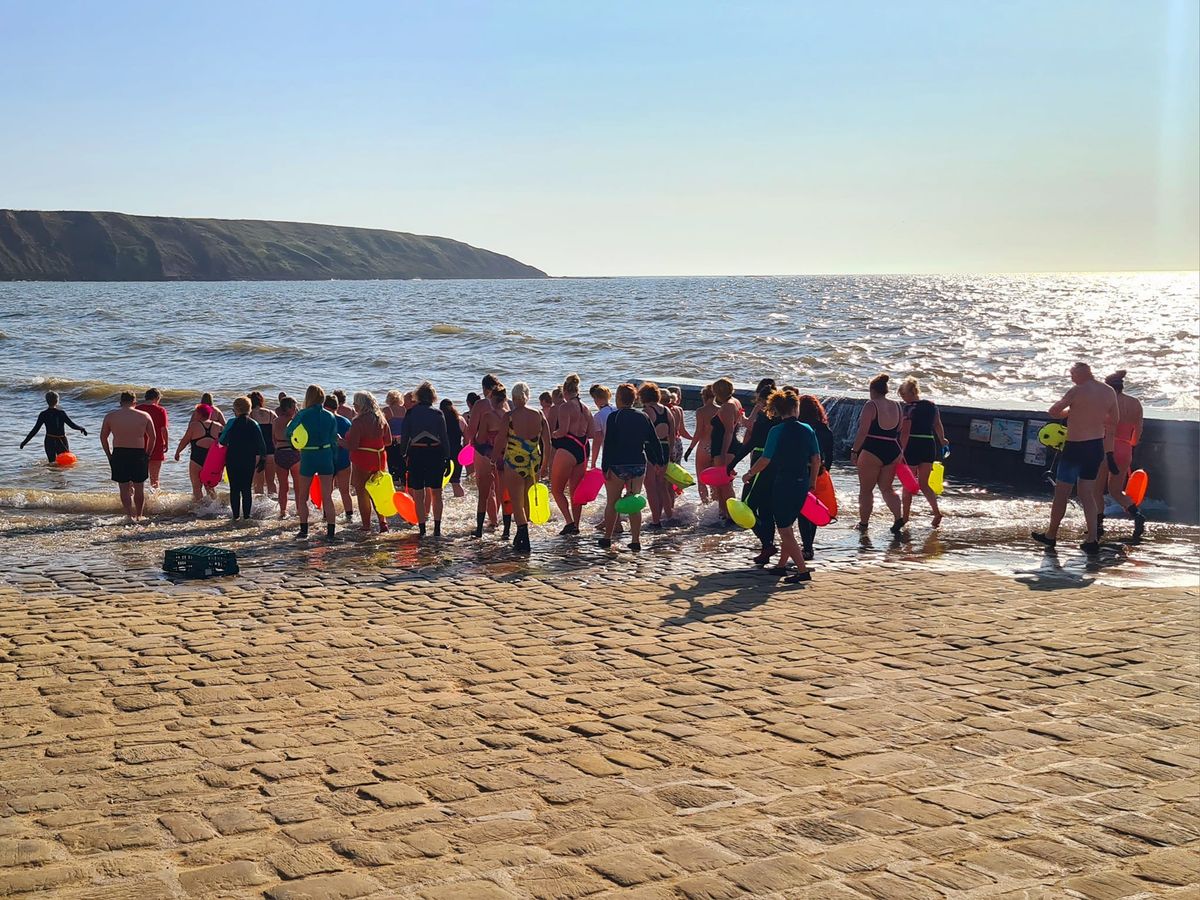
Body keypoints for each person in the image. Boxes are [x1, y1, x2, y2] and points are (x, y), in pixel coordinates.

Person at [1033, 362, 1119, 554]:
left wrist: (1071, 412)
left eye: (1072, 375)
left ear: (1080, 374)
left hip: (1075, 447)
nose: (1071, 378)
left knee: (1062, 493)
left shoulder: (1076, 390)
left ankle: (1051, 535)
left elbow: (1054, 412)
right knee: (1087, 494)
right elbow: (1114, 420)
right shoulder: (1109, 391)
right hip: (1095, 446)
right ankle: (1092, 539)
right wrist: (1094, 418)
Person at [742, 390, 821, 583]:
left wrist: (750, 473)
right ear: (796, 408)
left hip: (784, 483)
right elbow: (816, 458)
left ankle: (802, 571)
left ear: (778, 409)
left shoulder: (776, 431)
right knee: (789, 525)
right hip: (802, 482)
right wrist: (812, 481)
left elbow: (765, 459)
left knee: (784, 529)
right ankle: (781, 565)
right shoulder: (807, 429)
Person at [600, 383, 666, 551]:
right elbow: (654, 442)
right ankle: (635, 540)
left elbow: (608, 444)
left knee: (612, 502)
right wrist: (659, 461)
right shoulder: (643, 416)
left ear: (619, 398)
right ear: (634, 399)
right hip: (638, 463)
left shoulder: (614, 417)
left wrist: (604, 467)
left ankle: (607, 538)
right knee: (633, 502)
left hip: (617, 464)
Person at [493, 381, 551, 553]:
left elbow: (500, 440)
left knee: (516, 502)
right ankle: (521, 535)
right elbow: (547, 442)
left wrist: (493, 458)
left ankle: (523, 537)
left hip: (514, 462)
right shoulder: (539, 414)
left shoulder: (509, 416)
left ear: (513, 398)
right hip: (533, 462)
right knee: (526, 500)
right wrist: (545, 465)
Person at [1092, 370, 1146, 539]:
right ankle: (1137, 515)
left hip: (1105, 447)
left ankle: (1098, 526)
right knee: (1116, 491)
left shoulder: (1106, 403)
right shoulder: (1135, 403)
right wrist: (1129, 445)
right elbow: (1137, 434)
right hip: (1125, 449)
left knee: (1096, 491)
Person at [849, 374, 906, 534]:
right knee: (887, 488)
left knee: (866, 490)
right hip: (893, 449)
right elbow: (899, 429)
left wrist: (854, 451)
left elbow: (862, 432)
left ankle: (863, 524)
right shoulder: (897, 406)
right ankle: (898, 517)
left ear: (872, 390)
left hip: (873, 449)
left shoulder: (871, 405)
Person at [729, 379, 777, 562]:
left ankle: (767, 543)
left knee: (746, 505)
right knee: (767, 508)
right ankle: (767, 547)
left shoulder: (764, 419)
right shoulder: (781, 419)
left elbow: (752, 443)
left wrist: (732, 464)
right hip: (776, 465)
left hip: (760, 462)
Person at [285, 385, 339, 540]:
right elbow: (334, 439)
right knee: (327, 496)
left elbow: (288, 432)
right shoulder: (330, 415)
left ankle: (304, 531)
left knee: (302, 496)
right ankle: (330, 532)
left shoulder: (303, 414)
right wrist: (333, 459)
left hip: (309, 454)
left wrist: (296, 442)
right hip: (326, 454)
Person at [401, 381, 451, 537]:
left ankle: (422, 529)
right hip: (435, 453)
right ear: (432, 397)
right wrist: (448, 458)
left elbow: (405, 437)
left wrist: (403, 455)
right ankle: (437, 528)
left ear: (418, 397)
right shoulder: (437, 414)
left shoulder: (410, 413)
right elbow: (444, 438)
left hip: (416, 453)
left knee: (418, 493)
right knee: (437, 493)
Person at [100, 391, 155, 523]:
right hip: (138, 453)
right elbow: (153, 438)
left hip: (119, 453)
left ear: (120, 402)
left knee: (123, 487)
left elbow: (103, 437)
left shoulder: (111, 416)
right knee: (139, 487)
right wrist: (148, 454)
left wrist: (109, 454)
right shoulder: (144, 415)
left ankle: (129, 515)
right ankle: (139, 515)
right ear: (135, 402)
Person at [898, 377, 946, 527]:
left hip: (913, 444)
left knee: (908, 484)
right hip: (929, 444)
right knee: (924, 484)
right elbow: (937, 424)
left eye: (904, 395)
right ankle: (936, 512)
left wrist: (901, 451)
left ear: (911, 392)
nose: (903, 399)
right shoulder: (932, 406)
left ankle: (905, 518)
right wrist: (943, 439)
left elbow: (905, 432)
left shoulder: (909, 408)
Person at [550, 374, 592, 535]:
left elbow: (563, 431)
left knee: (557, 490)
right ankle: (577, 525)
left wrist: (552, 435)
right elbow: (591, 433)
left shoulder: (565, 407)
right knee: (576, 492)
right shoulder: (586, 408)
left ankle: (569, 522)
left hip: (568, 447)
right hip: (583, 448)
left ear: (566, 392)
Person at [344, 391, 391, 533]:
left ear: (361, 405)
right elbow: (388, 441)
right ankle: (383, 523)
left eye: (355, 404)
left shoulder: (358, 421)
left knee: (363, 493)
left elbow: (352, 445)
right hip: (379, 458)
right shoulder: (381, 419)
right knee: (377, 491)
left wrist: (340, 441)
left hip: (363, 459)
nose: (354, 406)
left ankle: (366, 525)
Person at [464, 377, 505, 538]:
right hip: (502, 450)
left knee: (485, 489)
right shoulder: (505, 403)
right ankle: (500, 522)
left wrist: (468, 443)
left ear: (484, 388)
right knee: (500, 487)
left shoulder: (481, 405)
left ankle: (489, 523)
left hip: (484, 449)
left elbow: (471, 430)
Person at [797, 394, 835, 561]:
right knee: (813, 508)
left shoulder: (801, 428)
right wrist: (824, 471)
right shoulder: (825, 430)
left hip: (801, 471)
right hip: (820, 472)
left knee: (803, 511)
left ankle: (806, 547)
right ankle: (809, 545)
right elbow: (830, 455)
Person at [219, 396, 267, 522]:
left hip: (233, 458)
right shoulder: (254, 424)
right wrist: (263, 459)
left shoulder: (231, 423)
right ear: (249, 409)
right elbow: (262, 444)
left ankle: (235, 517)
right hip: (248, 459)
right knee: (246, 489)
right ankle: (246, 516)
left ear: (236, 410)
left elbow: (222, 441)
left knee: (234, 488)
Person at [638, 382, 674, 529]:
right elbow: (672, 433)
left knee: (651, 486)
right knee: (662, 485)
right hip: (665, 448)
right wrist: (670, 453)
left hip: (650, 449)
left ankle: (656, 520)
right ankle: (669, 516)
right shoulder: (666, 411)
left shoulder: (646, 411)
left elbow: (641, 435)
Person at [21, 390, 87, 462]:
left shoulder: (43, 414)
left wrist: (24, 442)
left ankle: (52, 473)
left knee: (52, 463)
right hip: (61, 441)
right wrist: (81, 428)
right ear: (57, 400)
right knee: (63, 463)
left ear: (46, 401)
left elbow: (35, 430)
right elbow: (72, 425)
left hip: (49, 440)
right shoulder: (61, 413)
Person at [709, 378, 741, 524]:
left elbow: (729, 431)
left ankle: (731, 515)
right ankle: (723, 513)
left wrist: (722, 453)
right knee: (722, 483)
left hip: (725, 447)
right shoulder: (735, 402)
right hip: (725, 446)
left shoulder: (728, 406)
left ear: (717, 392)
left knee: (725, 483)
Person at [174, 403, 220, 503]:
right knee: (210, 487)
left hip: (196, 459)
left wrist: (178, 452)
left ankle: (200, 509)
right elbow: (224, 445)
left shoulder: (194, 426)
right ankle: (214, 508)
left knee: (196, 487)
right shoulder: (218, 426)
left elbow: (184, 441)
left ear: (199, 414)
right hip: (212, 461)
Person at [684, 384, 717, 504]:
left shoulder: (701, 411)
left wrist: (690, 449)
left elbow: (698, 432)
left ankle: (705, 505)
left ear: (704, 396)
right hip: (716, 447)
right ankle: (716, 506)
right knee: (714, 480)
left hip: (703, 447)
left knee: (701, 480)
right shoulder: (721, 409)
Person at [324, 396, 355, 522]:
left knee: (327, 493)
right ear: (337, 407)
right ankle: (350, 517)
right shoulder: (346, 422)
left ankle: (327, 517)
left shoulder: (323, 422)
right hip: (343, 459)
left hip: (327, 460)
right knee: (345, 492)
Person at [272, 397, 301, 519]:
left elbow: (273, 439)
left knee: (283, 486)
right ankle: (300, 510)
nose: (296, 408)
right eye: (294, 406)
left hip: (280, 453)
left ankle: (283, 511)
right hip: (293, 452)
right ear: (289, 408)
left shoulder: (275, 421)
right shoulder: (294, 421)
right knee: (298, 486)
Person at [135, 389, 168, 489]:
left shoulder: (137, 409)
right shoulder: (160, 410)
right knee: (154, 478)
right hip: (156, 445)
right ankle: (154, 501)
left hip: (139, 444)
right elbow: (164, 429)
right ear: (157, 398)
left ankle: (133, 498)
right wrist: (166, 443)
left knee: (136, 477)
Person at [248, 391, 277, 497]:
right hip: (270, 451)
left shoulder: (249, 415)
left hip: (256, 452)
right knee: (271, 482)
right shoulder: (271, 413)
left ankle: (259, 509)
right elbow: (276, 433)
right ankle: (274, 506)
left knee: (258, 484)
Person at [440, 398, 468, 498]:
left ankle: (440, 503)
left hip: (442, 453)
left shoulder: (440, 419)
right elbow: (467, 438)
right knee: (456, 482)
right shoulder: (460, 419)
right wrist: (465, 452)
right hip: (457, 452)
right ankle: (460, 503)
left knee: (439, 482)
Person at [588, 384, 616, 469]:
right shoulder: (618, 409)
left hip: (610, 454)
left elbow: (597, 440)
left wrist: (593, 462)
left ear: (596, 400)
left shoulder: (598, 416)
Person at [384, 390, 407, 491]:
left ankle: (395, 488)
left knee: (392, 465)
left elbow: (382, 426)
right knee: (402, 464)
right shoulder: (405, 410)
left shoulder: (386, 410)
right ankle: (403, 487)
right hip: (403, 441)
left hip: (391, 441)